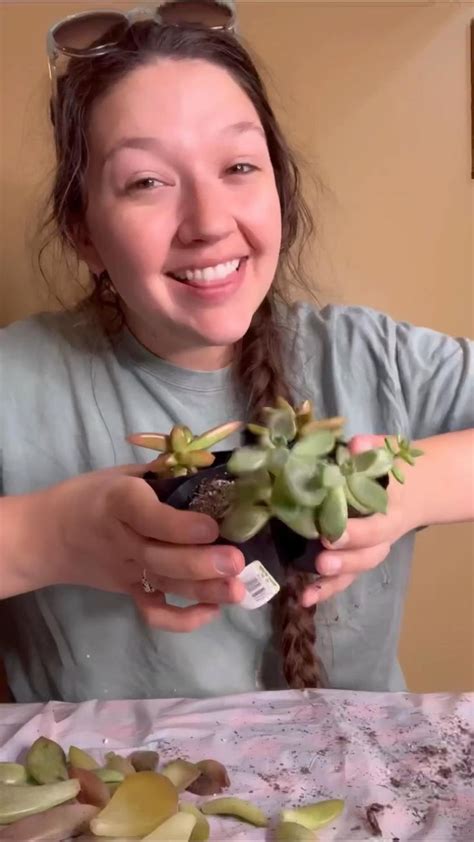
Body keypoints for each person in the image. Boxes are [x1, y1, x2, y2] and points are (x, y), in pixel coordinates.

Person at [0, 2, 472, 704]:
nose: (209, 223)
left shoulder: (373, 359)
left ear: (278, 186)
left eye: (240, 166)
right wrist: (47, 539)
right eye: (146, 182)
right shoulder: (17, 382)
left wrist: (398, 492)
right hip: (100, 795)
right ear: (83, 231)